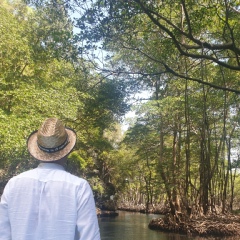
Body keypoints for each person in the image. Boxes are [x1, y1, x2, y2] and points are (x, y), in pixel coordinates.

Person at [0, 117, 101, 240]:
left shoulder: (13, 184)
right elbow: (90, 237)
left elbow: (3, 234)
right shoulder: (79, 187)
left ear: (38, 150)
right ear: (67, 151)